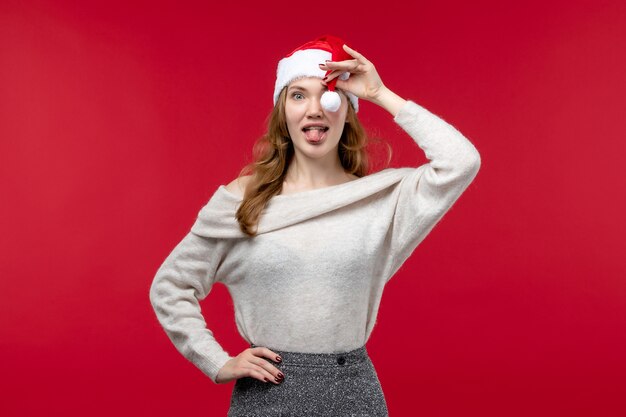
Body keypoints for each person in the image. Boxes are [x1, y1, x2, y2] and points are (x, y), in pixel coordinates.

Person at [149, 34, 481, 416]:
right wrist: (215, 360)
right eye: (297, 95)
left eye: (327, 95)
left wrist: (379, 92)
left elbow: (461, 162)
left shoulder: (380, 201)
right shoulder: (243, 200)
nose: (314, 109)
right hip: (267, 394)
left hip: (353, 393)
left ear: (346, 109)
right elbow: (171, 285)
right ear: (282, 111)